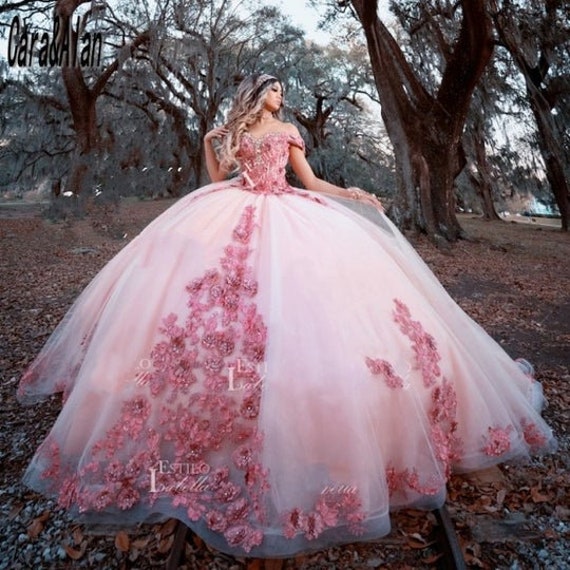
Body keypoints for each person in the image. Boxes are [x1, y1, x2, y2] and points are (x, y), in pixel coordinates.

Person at [18, 73, 555, 562]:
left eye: (282, 90)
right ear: (257, 93)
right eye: (274, 88)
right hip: (232, 207)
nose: (282, 95)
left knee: (307, 313)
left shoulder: (289, 129)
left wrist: (353, 195)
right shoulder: (241, 131)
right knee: (205, 309)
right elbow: (218, 175)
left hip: (289, 216)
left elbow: (310, 182)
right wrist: (211, 144)